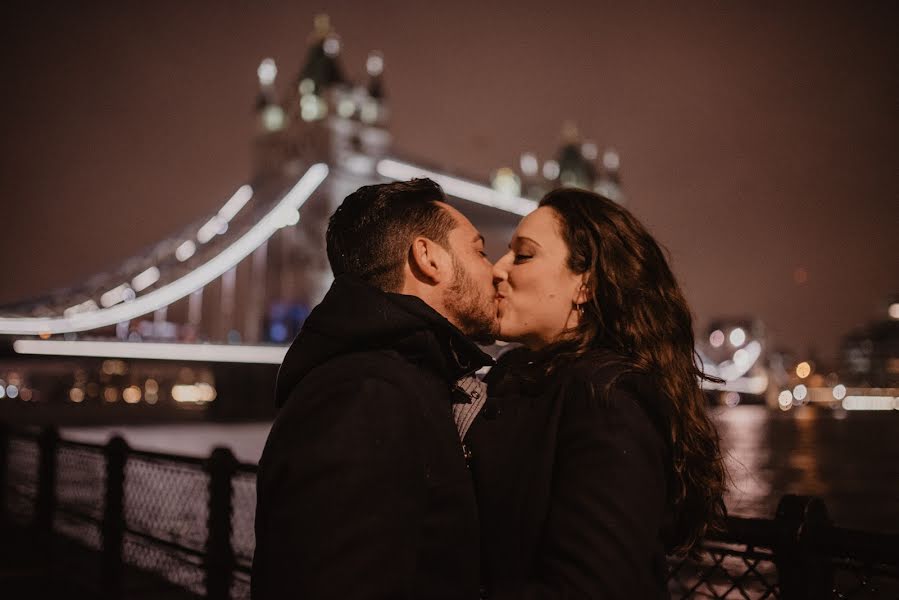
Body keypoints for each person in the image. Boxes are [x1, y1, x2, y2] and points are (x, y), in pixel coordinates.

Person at [467, 188, 727, 599]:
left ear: (585, 283)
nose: (498, 270)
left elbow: (590, 586)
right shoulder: (522, 382)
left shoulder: (608, 401)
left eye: (523, 255)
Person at [252, 179, 498, 599]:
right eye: (479, 250)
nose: (495, 270)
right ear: (428, 257)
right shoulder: (365, 396)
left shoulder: (402, 381)